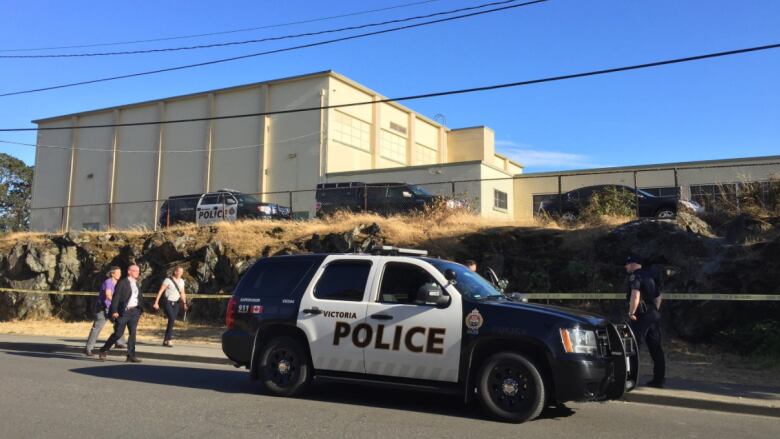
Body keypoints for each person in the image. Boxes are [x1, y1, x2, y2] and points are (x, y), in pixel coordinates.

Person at [625, 255, 666, 388]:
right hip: (653, 315)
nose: (625, 267)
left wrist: (632, 312)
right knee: (656, 348)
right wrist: (654, 311)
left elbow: (635, 295)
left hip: (640, 316)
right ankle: (658, 380)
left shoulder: (635, 276)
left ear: (633, 264)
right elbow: (658, 297)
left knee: (633, 347)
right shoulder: (650, 276)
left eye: (627, 264)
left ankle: (630, 379)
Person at [98, 264, 143, 363]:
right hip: (124, 312)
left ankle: (131, 355)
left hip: (134, 311)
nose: (138, 272)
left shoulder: (137, 283)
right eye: (135, 270)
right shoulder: (122, 282)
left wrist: (140, 309)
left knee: (133, 333)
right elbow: (116, 297)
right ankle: (103, 350)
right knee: (118, 333)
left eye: (138, 271)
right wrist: (114, 310)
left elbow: (138, 296)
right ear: (129, 271)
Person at [84, 267, 126, 356]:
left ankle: (119, 342)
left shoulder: (118, 283)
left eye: (120, 272)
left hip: (112, 308)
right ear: (112, 274)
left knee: (119, 323)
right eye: (117, 273)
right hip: (103, 308)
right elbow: (108, 294)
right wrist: (116, 303)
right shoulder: (108, 282)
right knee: (97, 328)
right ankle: (88, 348)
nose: (120, 274)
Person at [153, 265, 188, 347]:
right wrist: (156, 302)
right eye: (180, 272)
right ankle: (169, 339)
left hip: (176, 303)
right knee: (171, 318)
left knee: (172, 320)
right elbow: (160, 291)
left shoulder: (182, 281)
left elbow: (182, 292)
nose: (181, 273)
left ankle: (166, 340)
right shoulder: (167, 280)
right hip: (167, 302)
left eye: (182, 272)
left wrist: (184, 303)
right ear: (175, 272)